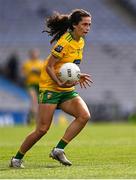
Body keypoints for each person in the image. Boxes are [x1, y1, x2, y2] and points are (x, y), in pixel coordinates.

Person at [10, 9, 93, 168]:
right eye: (84, 24)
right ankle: (16, 159)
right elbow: (48, 67)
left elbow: (69, 67)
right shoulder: (64, 42)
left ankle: (58, 149)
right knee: (42, 130)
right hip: (50, 88)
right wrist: (59, 83)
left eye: (89, 24)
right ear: (75, 25)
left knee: (84, 116)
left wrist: (77, 75)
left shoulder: (81, 41)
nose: (88, 27)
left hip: (65, 89)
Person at [22, 49, 43, 123]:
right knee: (34, 100)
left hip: (39, 84)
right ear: (31, 54)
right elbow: (24, 75)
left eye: (36, 53)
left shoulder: (41, 63)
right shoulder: (27, 64)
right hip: (30, 84)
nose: (35, 55)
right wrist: (30, 71)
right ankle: (35, 118)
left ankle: (31, 116)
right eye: (34, 53)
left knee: (39, 102)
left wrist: (37, 71)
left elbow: (44, 75)